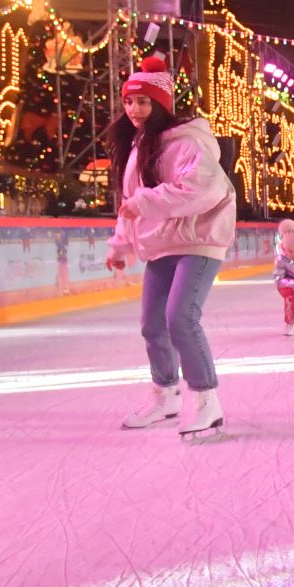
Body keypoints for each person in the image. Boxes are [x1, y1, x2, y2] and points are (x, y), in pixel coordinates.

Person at [102, 56, 236, 439]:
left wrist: (146, 203)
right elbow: (132, 203)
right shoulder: (139, 146)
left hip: (199, 237)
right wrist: (121, 245)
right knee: (153, 325)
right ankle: (166, 395)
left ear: (161, 103)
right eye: (129, 102)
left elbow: (203, 189)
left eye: (143, 102)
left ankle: (207, 402)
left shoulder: (188, 140)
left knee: (181, 318)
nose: (134, 110)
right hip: (163, 243)